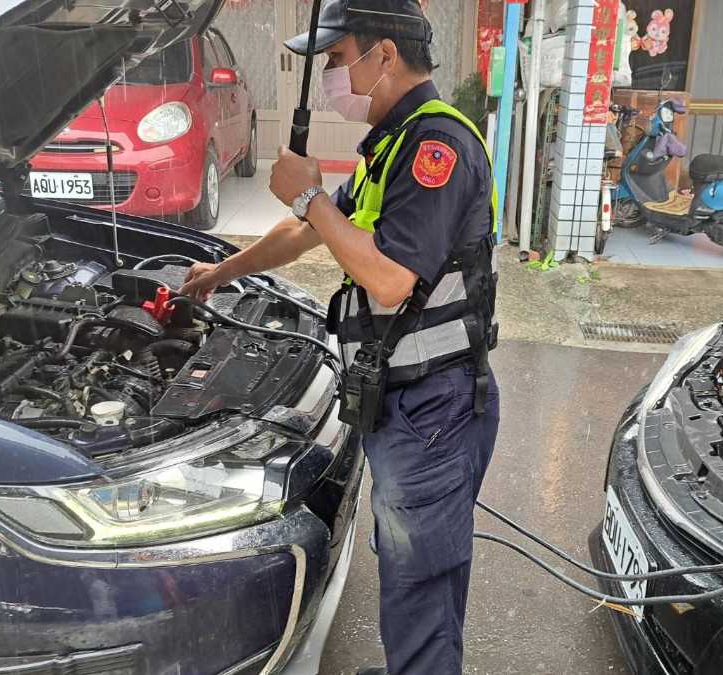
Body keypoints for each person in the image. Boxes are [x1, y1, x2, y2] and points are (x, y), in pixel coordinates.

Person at [180, 1, 499, 672]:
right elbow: (308, 234)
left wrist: (311, 199)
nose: (328, 73)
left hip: (433, 408)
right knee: (413, 572)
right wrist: (222, 269)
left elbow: (388, 280)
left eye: (334, 57)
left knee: (421, 581)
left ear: (383, 54)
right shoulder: (394, 141)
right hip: (406, 401)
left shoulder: (435, 147)